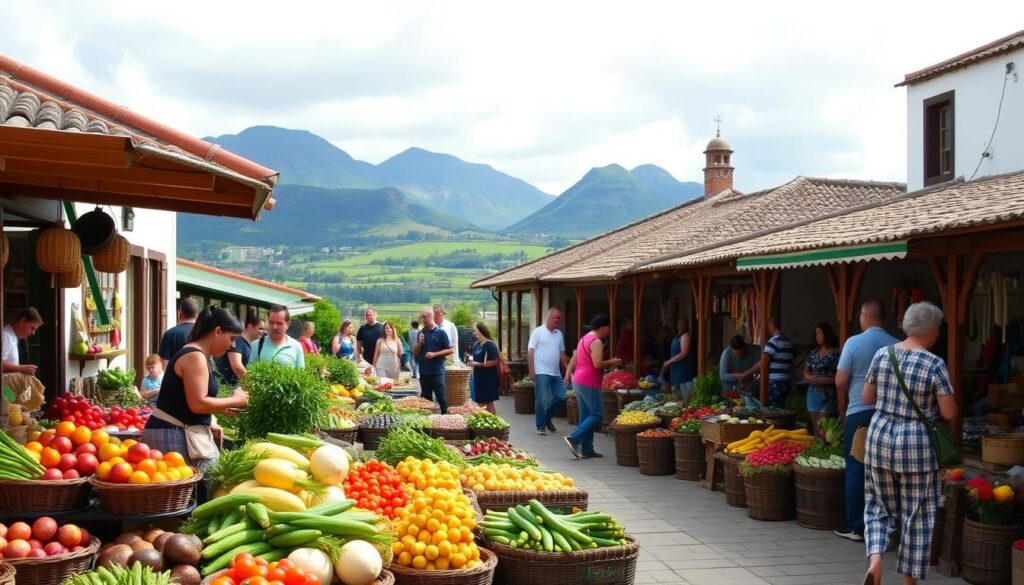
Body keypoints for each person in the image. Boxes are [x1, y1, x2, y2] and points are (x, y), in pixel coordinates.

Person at [861, 301, 957, 585]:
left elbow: (867, 398)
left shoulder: (882, 354)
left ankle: (876, 560)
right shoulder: (934, 364)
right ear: (929, 330)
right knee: (918, 514)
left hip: (879, 438)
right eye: (938, 328)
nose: (939, 334)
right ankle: (909, 582)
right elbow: (949, 413)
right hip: (916, 445)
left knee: (877, 505)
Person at [143, 306, 249, 469]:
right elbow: (198, 403)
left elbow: (188, 401)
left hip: (179, 431)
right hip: (173, 433)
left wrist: (220, 408)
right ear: (218, 331)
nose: (232, 345)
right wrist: (235, 400)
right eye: (232, 338)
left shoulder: (200, 355)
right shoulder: (195, 356)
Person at [834, 299, 898, 542]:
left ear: (864, 316)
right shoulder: (896, 344)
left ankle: (857, 527)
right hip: (889, 415)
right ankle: (888, 524)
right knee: (886, 469)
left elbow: (840, 381)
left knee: (856, 468)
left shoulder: (854, 342)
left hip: (860, 413)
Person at [564, 314, 621, 459]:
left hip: (578, 380)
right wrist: (612, 361)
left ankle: (587, 449)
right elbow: (597, 364)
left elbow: (574, 359)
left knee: (586, 416)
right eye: (608, 327)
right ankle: (574, 438)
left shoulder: (584, 338)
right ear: (602, 327)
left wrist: (568, 373)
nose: (609, 330)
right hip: (589, 382)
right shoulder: (596, 342)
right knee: (597, 414)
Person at [528, 308, 568, 435]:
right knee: (542, 398)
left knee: (562, 397)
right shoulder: (538, 332)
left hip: (555, 372)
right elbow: (530, 351)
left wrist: (568, 368)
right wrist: (531, 371)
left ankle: (546, 418)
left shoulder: (559, 334)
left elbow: (562, 353)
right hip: (541, 371)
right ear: (549, 317)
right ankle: (540, 426)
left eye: (559, 318)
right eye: (556, 317)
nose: (558, 320)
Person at [414, 307, 453, 413]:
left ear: (431, 316)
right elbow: (415, 352)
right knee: (426, 399)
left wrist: (435, 354)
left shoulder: (441, 332)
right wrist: (419, 343)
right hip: (424, 371)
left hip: (436, 371)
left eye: (424, 317)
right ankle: (428, 422)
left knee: (441, 396)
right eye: (422, 317)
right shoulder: (421, 333)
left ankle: (445, 418)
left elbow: (450, 350)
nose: (422, 319)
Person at [804, 322, 841, 433]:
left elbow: (841, 374)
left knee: (824, 424)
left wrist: (827, 380)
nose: (817, 337)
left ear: (827, 334)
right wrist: (810, 378)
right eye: (816, 334)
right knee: (816, 428)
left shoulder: (836, 353)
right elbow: (806, 371)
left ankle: (827, 445)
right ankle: (819, 446)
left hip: (829, 393)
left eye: (820, 334)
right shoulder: (813, 353)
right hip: (813, 392)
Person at [757, 317, 796, 408]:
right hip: (786, 381)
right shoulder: (788, 342)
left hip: (775, 383)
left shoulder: (773, 342)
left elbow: (764, 364)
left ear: (771, 326)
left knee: (773, 411)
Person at [215, 313, 263, 387]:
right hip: (228, 386)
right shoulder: (238, 340)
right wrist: (253, 384)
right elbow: (236, 366)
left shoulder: (246, 343)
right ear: (250, 326)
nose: (262, 332)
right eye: (260, 328)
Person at [467, 322, 500, 414]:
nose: (474, 332)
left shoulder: (490, 345)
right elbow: (475, 358)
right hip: (478, 377)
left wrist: (479, 364)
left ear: (480, 331)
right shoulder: (476, 344)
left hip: (488, 377)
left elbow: (494, 361)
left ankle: (488, 423)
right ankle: (491, 424)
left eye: (475, 330)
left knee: (485, 402)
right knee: (483, 401)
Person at [662, 318, 697, 399]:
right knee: (675, 393)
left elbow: (684, 353)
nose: (680, 325)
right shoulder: (677, 337)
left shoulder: (685, 335)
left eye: (682, 323)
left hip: (683, 370)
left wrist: (669, 362)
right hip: (675, 370)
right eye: (679, 323)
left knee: (682, 394)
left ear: (686, 325)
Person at [159, 298, 199, 369]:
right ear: (197, 314)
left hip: (175, 379)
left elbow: (164, 366)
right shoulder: (203, 333)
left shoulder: (170, 334)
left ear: (179, 313)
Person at [2, 307, 43, 375]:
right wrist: (21, 368)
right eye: (32, 328)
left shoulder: (13, 337)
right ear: (23, 321)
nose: (33, 333)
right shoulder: (5, 336)